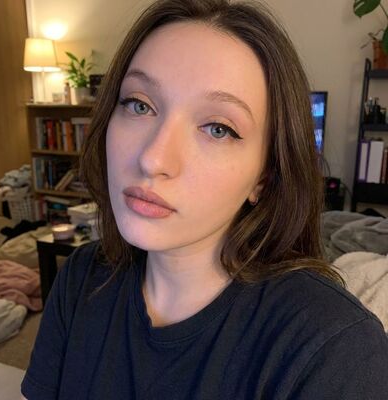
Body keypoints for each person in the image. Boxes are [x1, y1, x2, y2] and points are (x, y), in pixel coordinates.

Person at [21, 0, 388, 399]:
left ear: (264, 176)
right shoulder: (81, 279)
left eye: (218, 128)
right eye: (139, 105)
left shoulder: (336, 351)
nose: (153, 158)